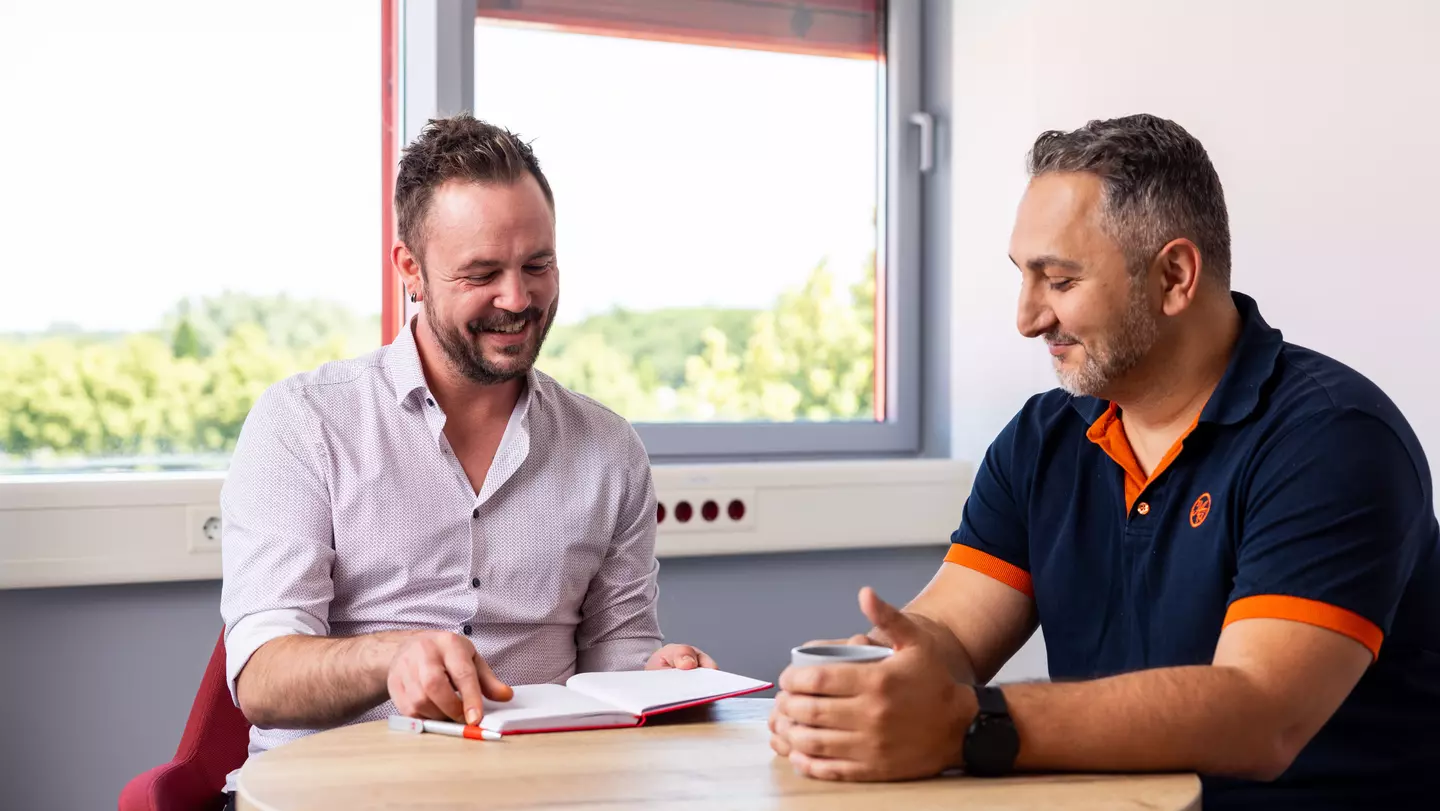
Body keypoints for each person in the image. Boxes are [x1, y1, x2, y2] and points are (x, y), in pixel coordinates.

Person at [768, 114, 1440, 809]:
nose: (1027, 317)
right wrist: (869, 685)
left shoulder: (1332, 439)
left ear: (1175, 276)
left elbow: (1261, 713)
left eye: (1058, 281)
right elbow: (951, 635)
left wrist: (969, 723)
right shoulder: (1042, 438)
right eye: (1023, 277)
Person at [219, 115, 713, 797]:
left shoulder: (608, 449)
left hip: (540, 791)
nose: (518, 299)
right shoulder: (303, 424)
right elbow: (263, 678)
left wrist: (658, 676)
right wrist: (393, 654)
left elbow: (616, 659)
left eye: (537, 265)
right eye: (483, 273)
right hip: (334, 794)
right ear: (410, 270)